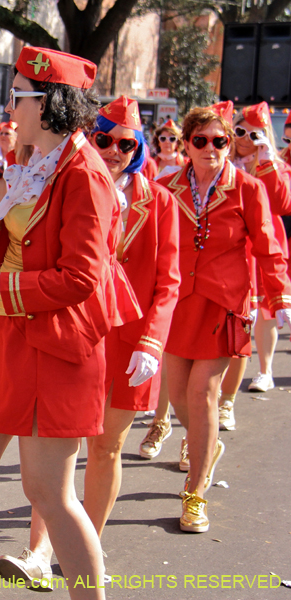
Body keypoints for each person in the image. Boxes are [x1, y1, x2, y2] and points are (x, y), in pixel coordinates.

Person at [0, 46, 124, 599]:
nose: (9, 106)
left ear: (51, 103)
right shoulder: (39, 162)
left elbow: (81, 278)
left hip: (55, 348)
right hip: (9, 337)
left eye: (19, 96)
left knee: (47, 493)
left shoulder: (84, 173)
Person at [0, 96, 180, 588]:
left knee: (106, 449)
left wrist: (152, 343)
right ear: (89, 136)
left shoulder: (159, 202)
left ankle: (85, 551)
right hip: (70, 331)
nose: (114, 150)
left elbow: (168, 281)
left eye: (126, 143)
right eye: (104, 140)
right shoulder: (57, 179)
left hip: (128, 340)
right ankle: (38, 553)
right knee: (55, 451)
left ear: (138, 147)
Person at [157, 105, 291, 533]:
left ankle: (195, 496)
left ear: (228, 144)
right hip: (177, 303)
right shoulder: (166, 186)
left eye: (220, 141)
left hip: (223, 303)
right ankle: (205, 444)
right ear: (187, 144)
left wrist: (279, 293)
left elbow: (269, 245)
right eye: (201, 140)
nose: (211, 148)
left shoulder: (248, 188)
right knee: (178, 395)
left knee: (203, 394)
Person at [216, 101, 291, 431]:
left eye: (252, 133)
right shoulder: (221, 157)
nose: (244, 138)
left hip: (261, 245)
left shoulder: (274, 164)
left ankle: (262, 372)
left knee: (259, 315)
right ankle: (213, 394)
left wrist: (265, 159)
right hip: (228, 247)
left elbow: (282, 203)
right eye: (240, 131)